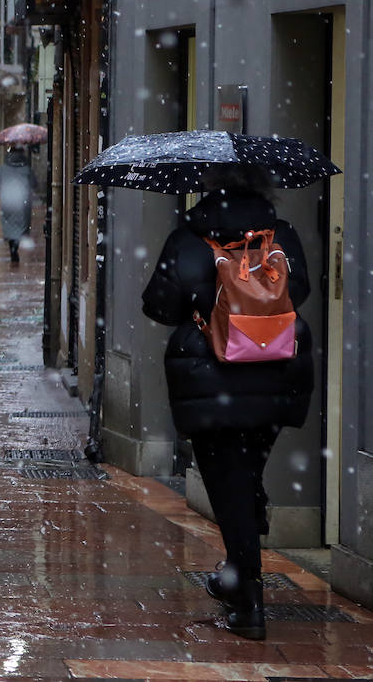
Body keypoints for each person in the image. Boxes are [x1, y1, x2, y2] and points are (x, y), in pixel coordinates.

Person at [141, 165, 314, 641]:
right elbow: (299, 291)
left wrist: (206, 304)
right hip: (278, 373)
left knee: (227, 485)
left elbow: (158, 305)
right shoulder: (281, 235)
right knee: (246, 471)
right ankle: (245, 535)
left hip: (210, 377)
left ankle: (247, 599)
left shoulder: (188, 238)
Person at [0, 145, 33, 264]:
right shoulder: (26, 168)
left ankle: (12, 246)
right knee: (21, 225)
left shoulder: (3, 168)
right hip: (23, 202)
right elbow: (34, 183)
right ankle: (16, 245)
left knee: (9, 225)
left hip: (7, 200)